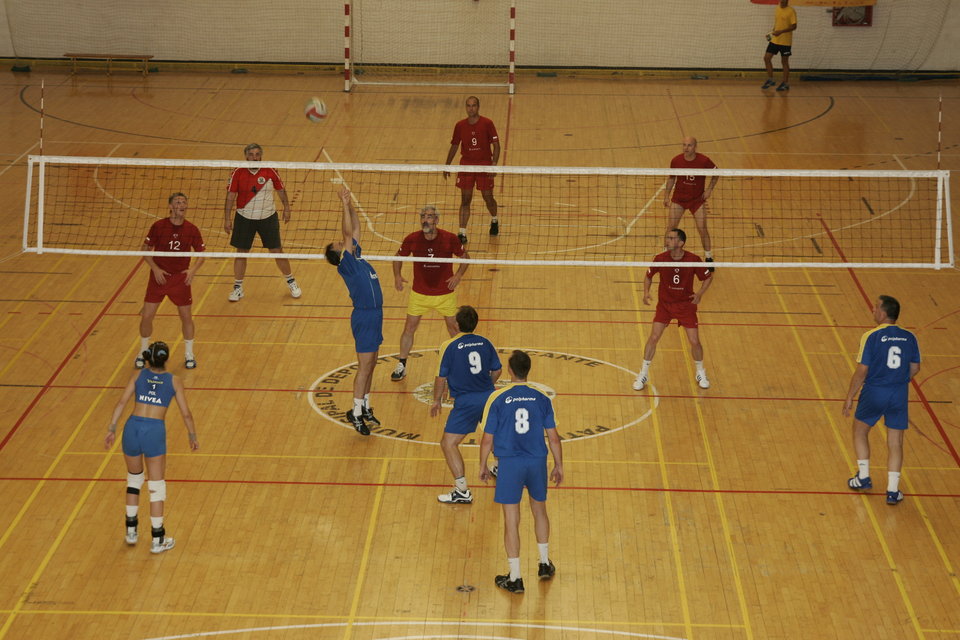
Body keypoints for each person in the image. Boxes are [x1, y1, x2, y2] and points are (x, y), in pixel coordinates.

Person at [479, 350, 563, 594]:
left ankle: (515, 577)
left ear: (510, 370)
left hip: (510, 463)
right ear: (528, 370)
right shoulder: (542, 397)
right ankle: (544, 563)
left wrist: (482, 465)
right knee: (540, 510)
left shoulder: (497, 398)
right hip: (536, 461)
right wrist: (559, 465)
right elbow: (554, 438)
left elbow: (487, 439)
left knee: (511, 519)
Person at [105, 341, 199, 554]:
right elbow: (186, 413)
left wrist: (112, 428)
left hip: (132, 428)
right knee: (156, 486)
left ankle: (131, 531)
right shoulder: (174, 381)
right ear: (166, 359)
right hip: (154, 432)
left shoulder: (138, 375)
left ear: (149, 357)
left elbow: (121, 403)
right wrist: (192, 435)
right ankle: (158, 540)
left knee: (134, 480)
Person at [844, 295, 921, 505]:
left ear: (884, 312)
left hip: (875, 391)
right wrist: (898, 381)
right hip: (899, 393)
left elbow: (862, 370)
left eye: (876, 307)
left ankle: (863, 477)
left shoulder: (871, 336)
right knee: (895, 442)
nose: (873, 309)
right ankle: (893, 491)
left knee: (860, 431)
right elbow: (915, 368)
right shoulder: (910, 337)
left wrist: (850, 396)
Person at [325, 186, 384, 436]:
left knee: (372, 364)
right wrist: (343, 203)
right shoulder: (346, 263)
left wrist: (350, 205)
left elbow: (356, 228)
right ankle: (356, 412)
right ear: (339, 253)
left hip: (375, 314)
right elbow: (348, 232)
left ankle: (366, 407)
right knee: (364, 366)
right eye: (341, 244)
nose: (345, 242)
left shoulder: (356, 257)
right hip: (364, 316)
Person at [431, 305, 502, 504]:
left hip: (466, 402)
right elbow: (497, 370)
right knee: (492, 433)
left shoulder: (449, 345)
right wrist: (486, 387)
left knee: (448, 443)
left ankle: (462, 490)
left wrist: (436, 400)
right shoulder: (485, 342)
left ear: (456, 323)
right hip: (489, 397)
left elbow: (440, 377)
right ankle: (501, 467)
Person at [391, 206, 470, 382]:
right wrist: (397, 275)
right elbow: (397, 257)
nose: (425, 220)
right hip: (420, 294)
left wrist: (458, 275)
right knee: (409, 328)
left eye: (429, 217)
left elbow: (466, 257)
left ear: (436, 220)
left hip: (445, 293)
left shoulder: (449, 238)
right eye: (423, 217)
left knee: (454, 328)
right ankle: (401, 364)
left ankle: (463, 364)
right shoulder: (412, 239)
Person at [633, 228, 714, 392]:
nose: (667, 240)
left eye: (671, 238)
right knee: (654, 337)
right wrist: (646, 292)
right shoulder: (660, 258)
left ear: (681, 243)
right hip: (665, 305)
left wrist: (700, 294)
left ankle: (700, 372)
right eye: (667, 238)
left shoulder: (693, 259)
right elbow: (648, 276)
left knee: (694, 341)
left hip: (686, 306)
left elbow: (708, 277)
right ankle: (643, 373)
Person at [224, 143, 302, 302]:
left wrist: (287, 207)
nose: (254, 157)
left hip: (268, 217)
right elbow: (231, 196)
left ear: (261, 156)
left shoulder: (270, 170)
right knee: (241, 253)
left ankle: (291, 281)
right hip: (244, 217)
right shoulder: (238, 172)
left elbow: (280, 190)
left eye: (257, 154)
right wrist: (227, 218)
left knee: (277, 251)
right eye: (251, 154)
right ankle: (238, 287)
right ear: (246, 156)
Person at [137, 192, 205, 370]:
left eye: (184, 202)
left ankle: (189, 354)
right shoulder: (159, 226)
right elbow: (145, 250)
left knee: (186, 317)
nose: (181, 204)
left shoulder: (191, 229)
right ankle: (143, 352)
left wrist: (192, 271)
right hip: (159, 278)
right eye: (177, 202)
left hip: (180, 280)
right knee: (147, 316)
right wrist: (155, 268)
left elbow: (202, 254)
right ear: (170, 206)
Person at [443, 96, 501, 245]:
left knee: (488, 197)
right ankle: (462, 232)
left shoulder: (487, 123)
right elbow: (455, 145)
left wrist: (493, 164)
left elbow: (496, 145)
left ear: (478, 107)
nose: (471, 108)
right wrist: (447, 164)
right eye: (468, 106)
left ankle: (494, 220)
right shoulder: (460, 125)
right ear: (465, 107)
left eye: (474, 105)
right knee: (465, 200)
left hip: (484, 165)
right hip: (466, 165)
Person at [663, 137, 717, 267]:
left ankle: (708, 257)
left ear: (695, 147)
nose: (686, 148)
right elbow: (671, 178)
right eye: (684, 145)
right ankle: (665, 255)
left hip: (697, 200)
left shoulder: (704, 160)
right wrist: (666, 196)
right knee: (671, 227)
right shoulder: (676, 160)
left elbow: (717, 173)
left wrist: (709, 189)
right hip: (679, 199)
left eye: (689, 145)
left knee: (702, 228)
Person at [762, 0, 797, 92]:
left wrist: (781, 32)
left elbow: (794, 26)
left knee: (784, 62)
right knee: (766, 58)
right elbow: (777, 23)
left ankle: (785, 83)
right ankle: (771, 80)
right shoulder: (777, 8)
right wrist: (772, 33)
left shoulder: (791, 11)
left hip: (785, 42)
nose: (781, 1)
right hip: (775, 40)